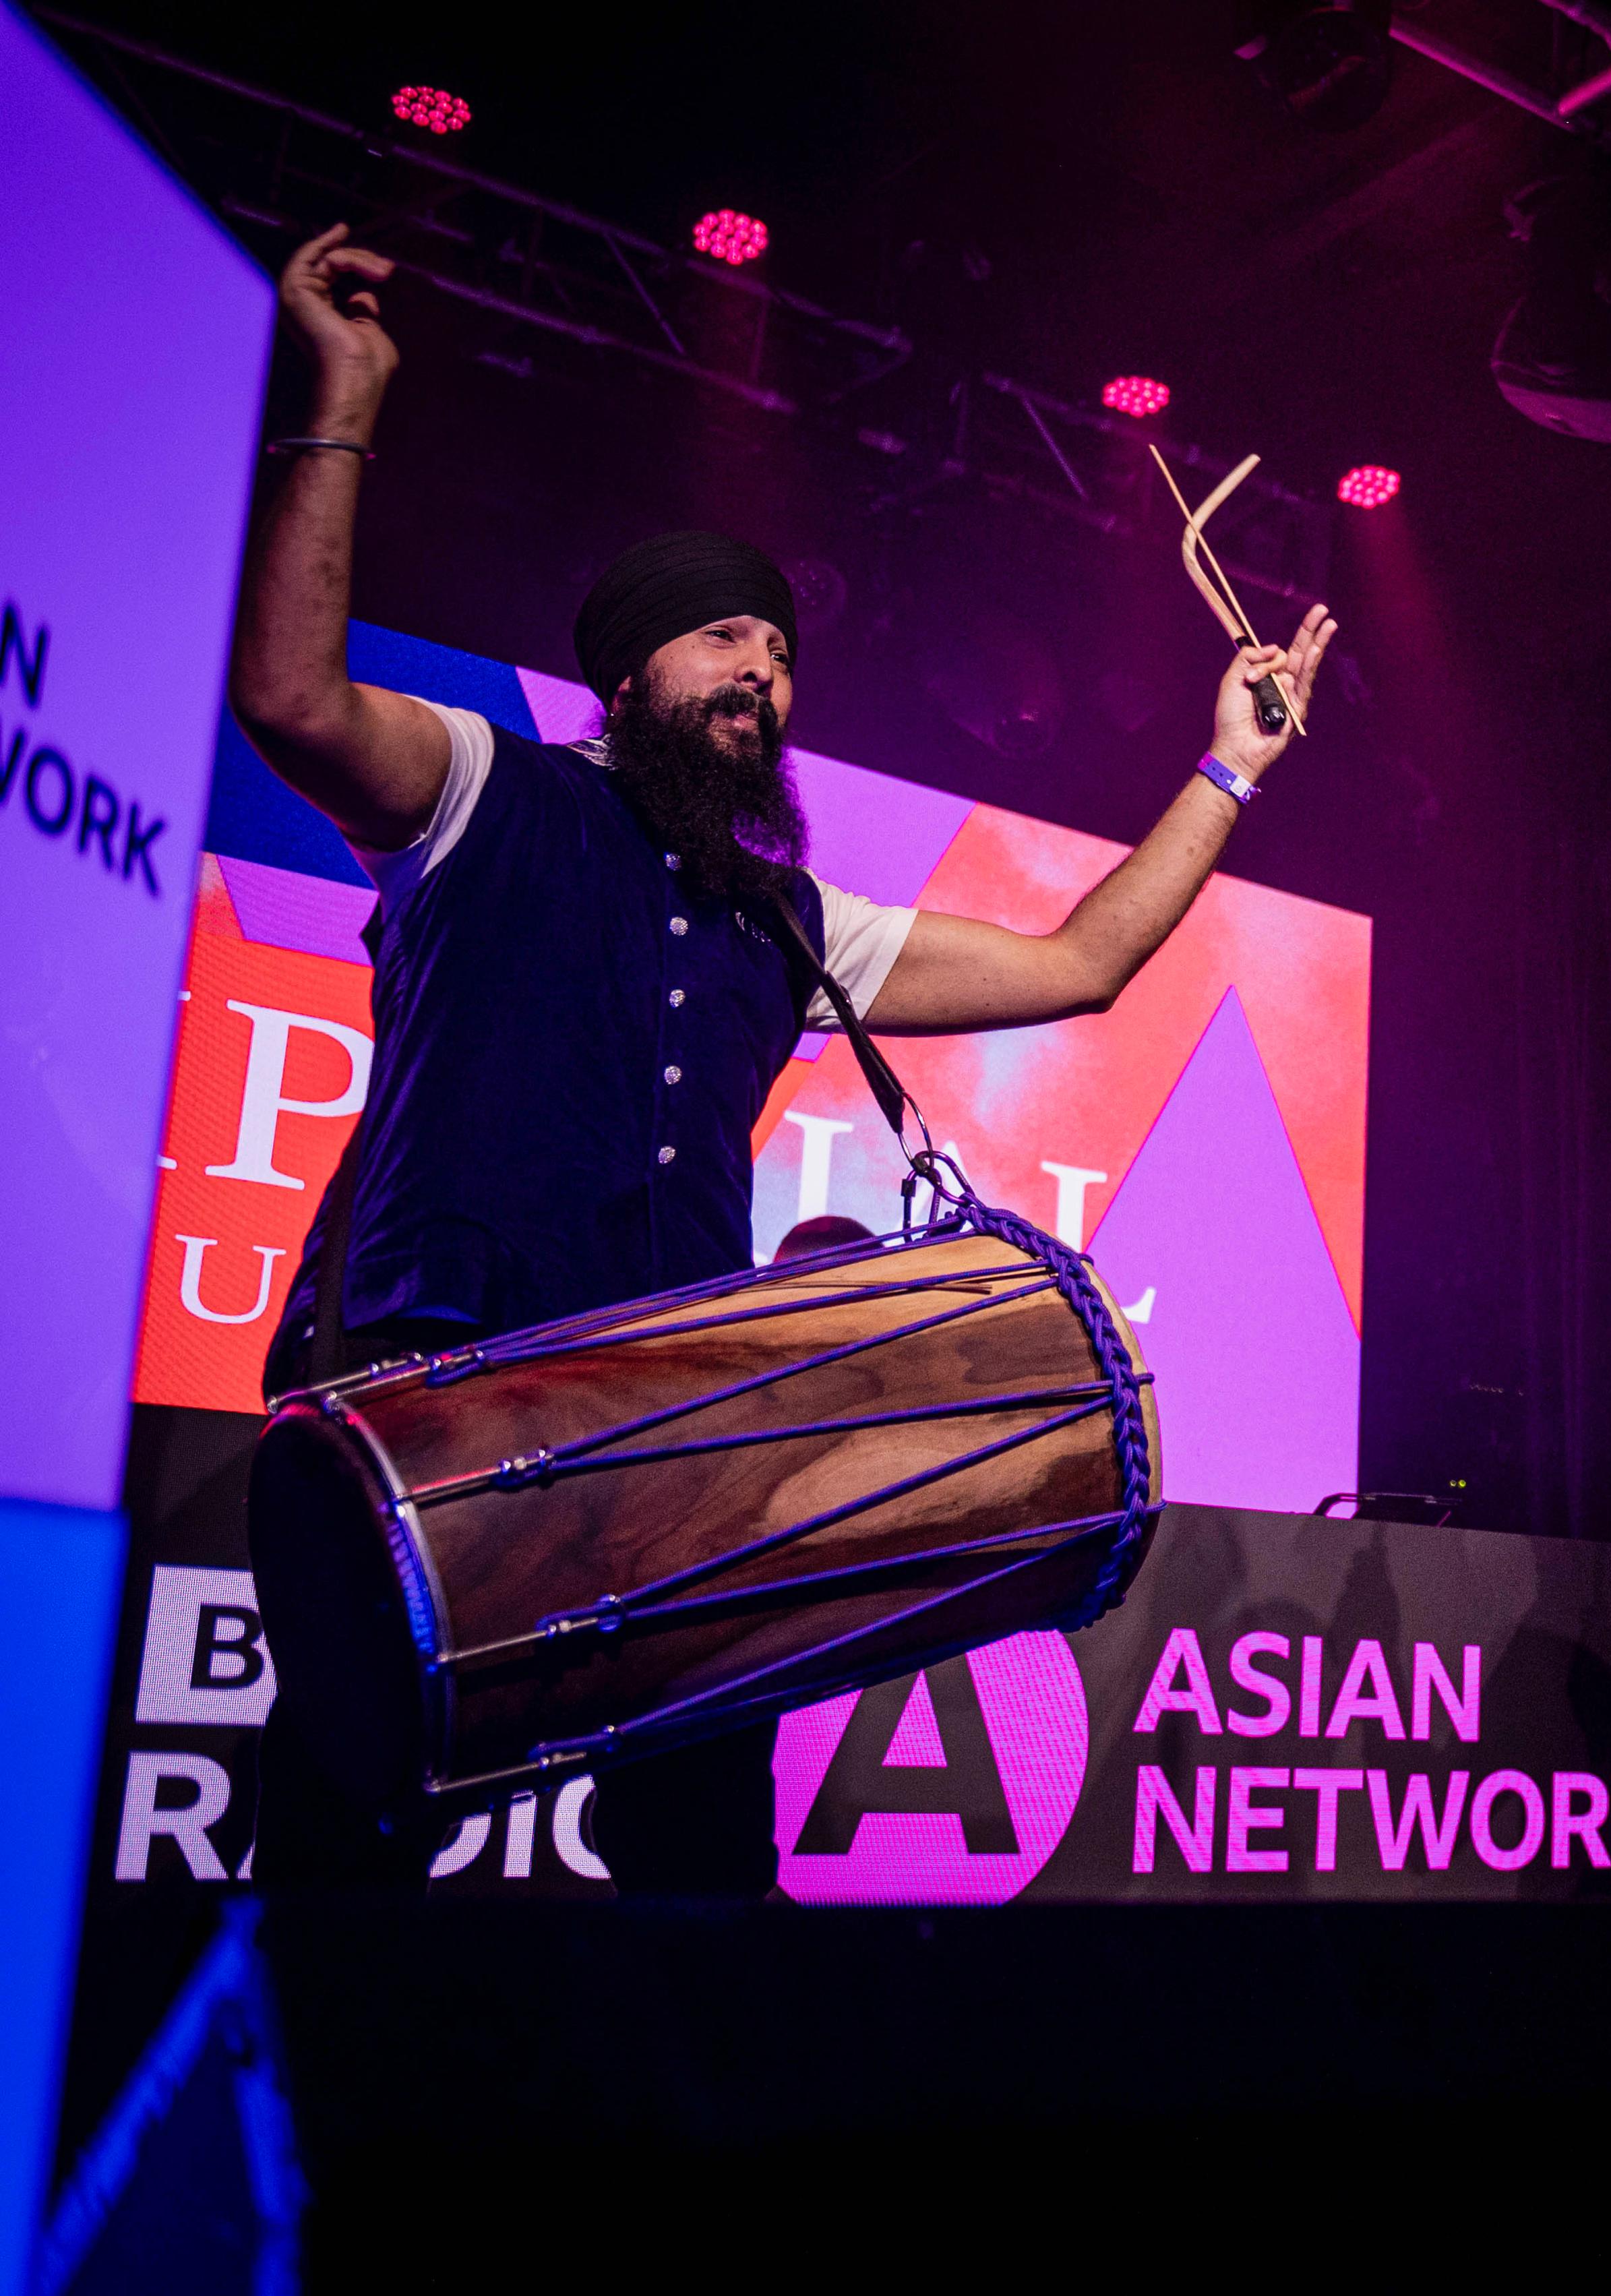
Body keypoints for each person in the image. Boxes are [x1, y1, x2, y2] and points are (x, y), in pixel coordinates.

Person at [231, 224, 1337, 1893]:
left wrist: (1228, 768)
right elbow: (294, 701)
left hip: (677, 1414)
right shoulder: (484, 789)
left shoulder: (789, 916)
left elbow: (1084, 961)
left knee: (702, 1866)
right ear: (629, 673)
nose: (763, 668)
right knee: (349, 1836)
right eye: (723, 638)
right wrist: (344, 398)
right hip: (433, 1369)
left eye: (781, 650)